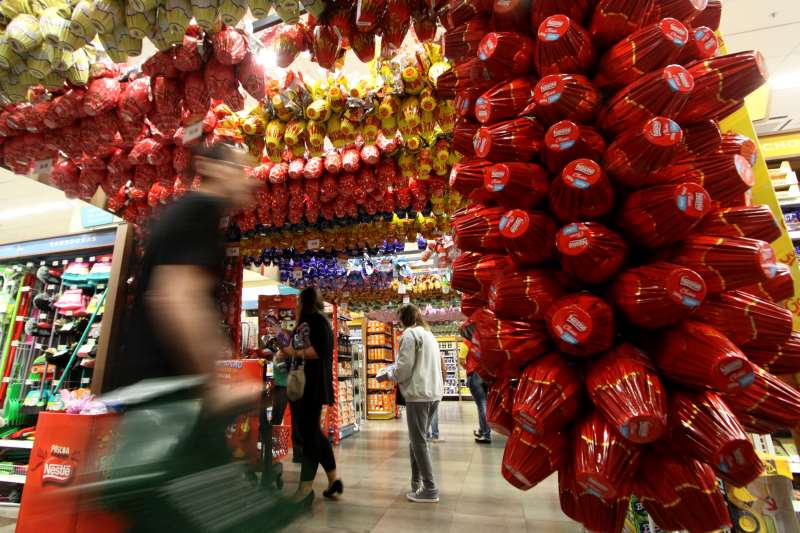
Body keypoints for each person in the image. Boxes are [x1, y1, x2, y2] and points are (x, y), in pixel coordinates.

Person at [121, 141, 259, 406]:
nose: (247, 180)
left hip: (164, 389)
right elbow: (179, 298)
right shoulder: (199, 211)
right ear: (211, 168)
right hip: (165, 393)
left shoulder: (198, 213)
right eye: (239, 169)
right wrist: (215, 384)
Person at [279, 287, 341, 507]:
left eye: (298, 301)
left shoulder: (317, 322)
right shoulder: (314, 321)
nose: (295, 305)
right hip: (307, 384)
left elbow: (317, 351)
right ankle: (334, 480)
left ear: (305, 302)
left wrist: (292, 353)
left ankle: (305, 489)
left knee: (309, 437)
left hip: (310, 385)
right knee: (313, 433)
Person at [378, 304, 443, 503]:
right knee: (417, 440)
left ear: (404, 319)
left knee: (418, 442)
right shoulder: (428, 335)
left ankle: (430, 489)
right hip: (433, 393)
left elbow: (404, 369)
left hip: (418, 394)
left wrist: (387, 375)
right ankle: (416, 482)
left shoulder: (409, 335)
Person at [465, 342, 491, 443]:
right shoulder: (486, 341)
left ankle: (486, 434)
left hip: (475, 374)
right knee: (485, 404)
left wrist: (468, 368)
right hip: (487, 375)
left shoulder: (467, 342)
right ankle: (482, 429)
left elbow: (462, 358)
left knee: (481, 405)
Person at [426, 351, 447, 442]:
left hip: (424, 385)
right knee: (434, 411)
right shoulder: (438, 354)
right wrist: (442, 382)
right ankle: (435, 435)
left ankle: (425, 434)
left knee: (424, 411)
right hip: (435, 384)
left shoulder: (423, 354)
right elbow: (444, 369)